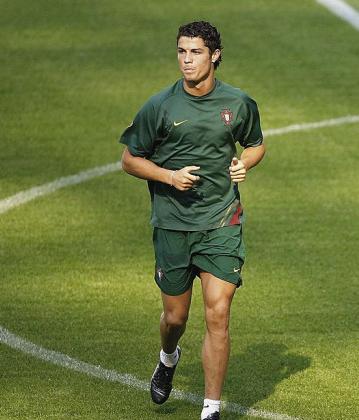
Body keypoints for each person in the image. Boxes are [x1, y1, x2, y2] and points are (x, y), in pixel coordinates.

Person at [119, 21, 265, 420]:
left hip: (221, 223)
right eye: (182, 52)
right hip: (172, 225)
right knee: (175, 317)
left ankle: (210, 409)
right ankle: (168, 358)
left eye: (195, 52)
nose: (187, 60)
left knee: (218, 312)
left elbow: (255, 144)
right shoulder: (160, 106)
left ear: (214, 55)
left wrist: (244, 163)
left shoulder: (238, 103)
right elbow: (129, 159)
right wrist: (169, 176)